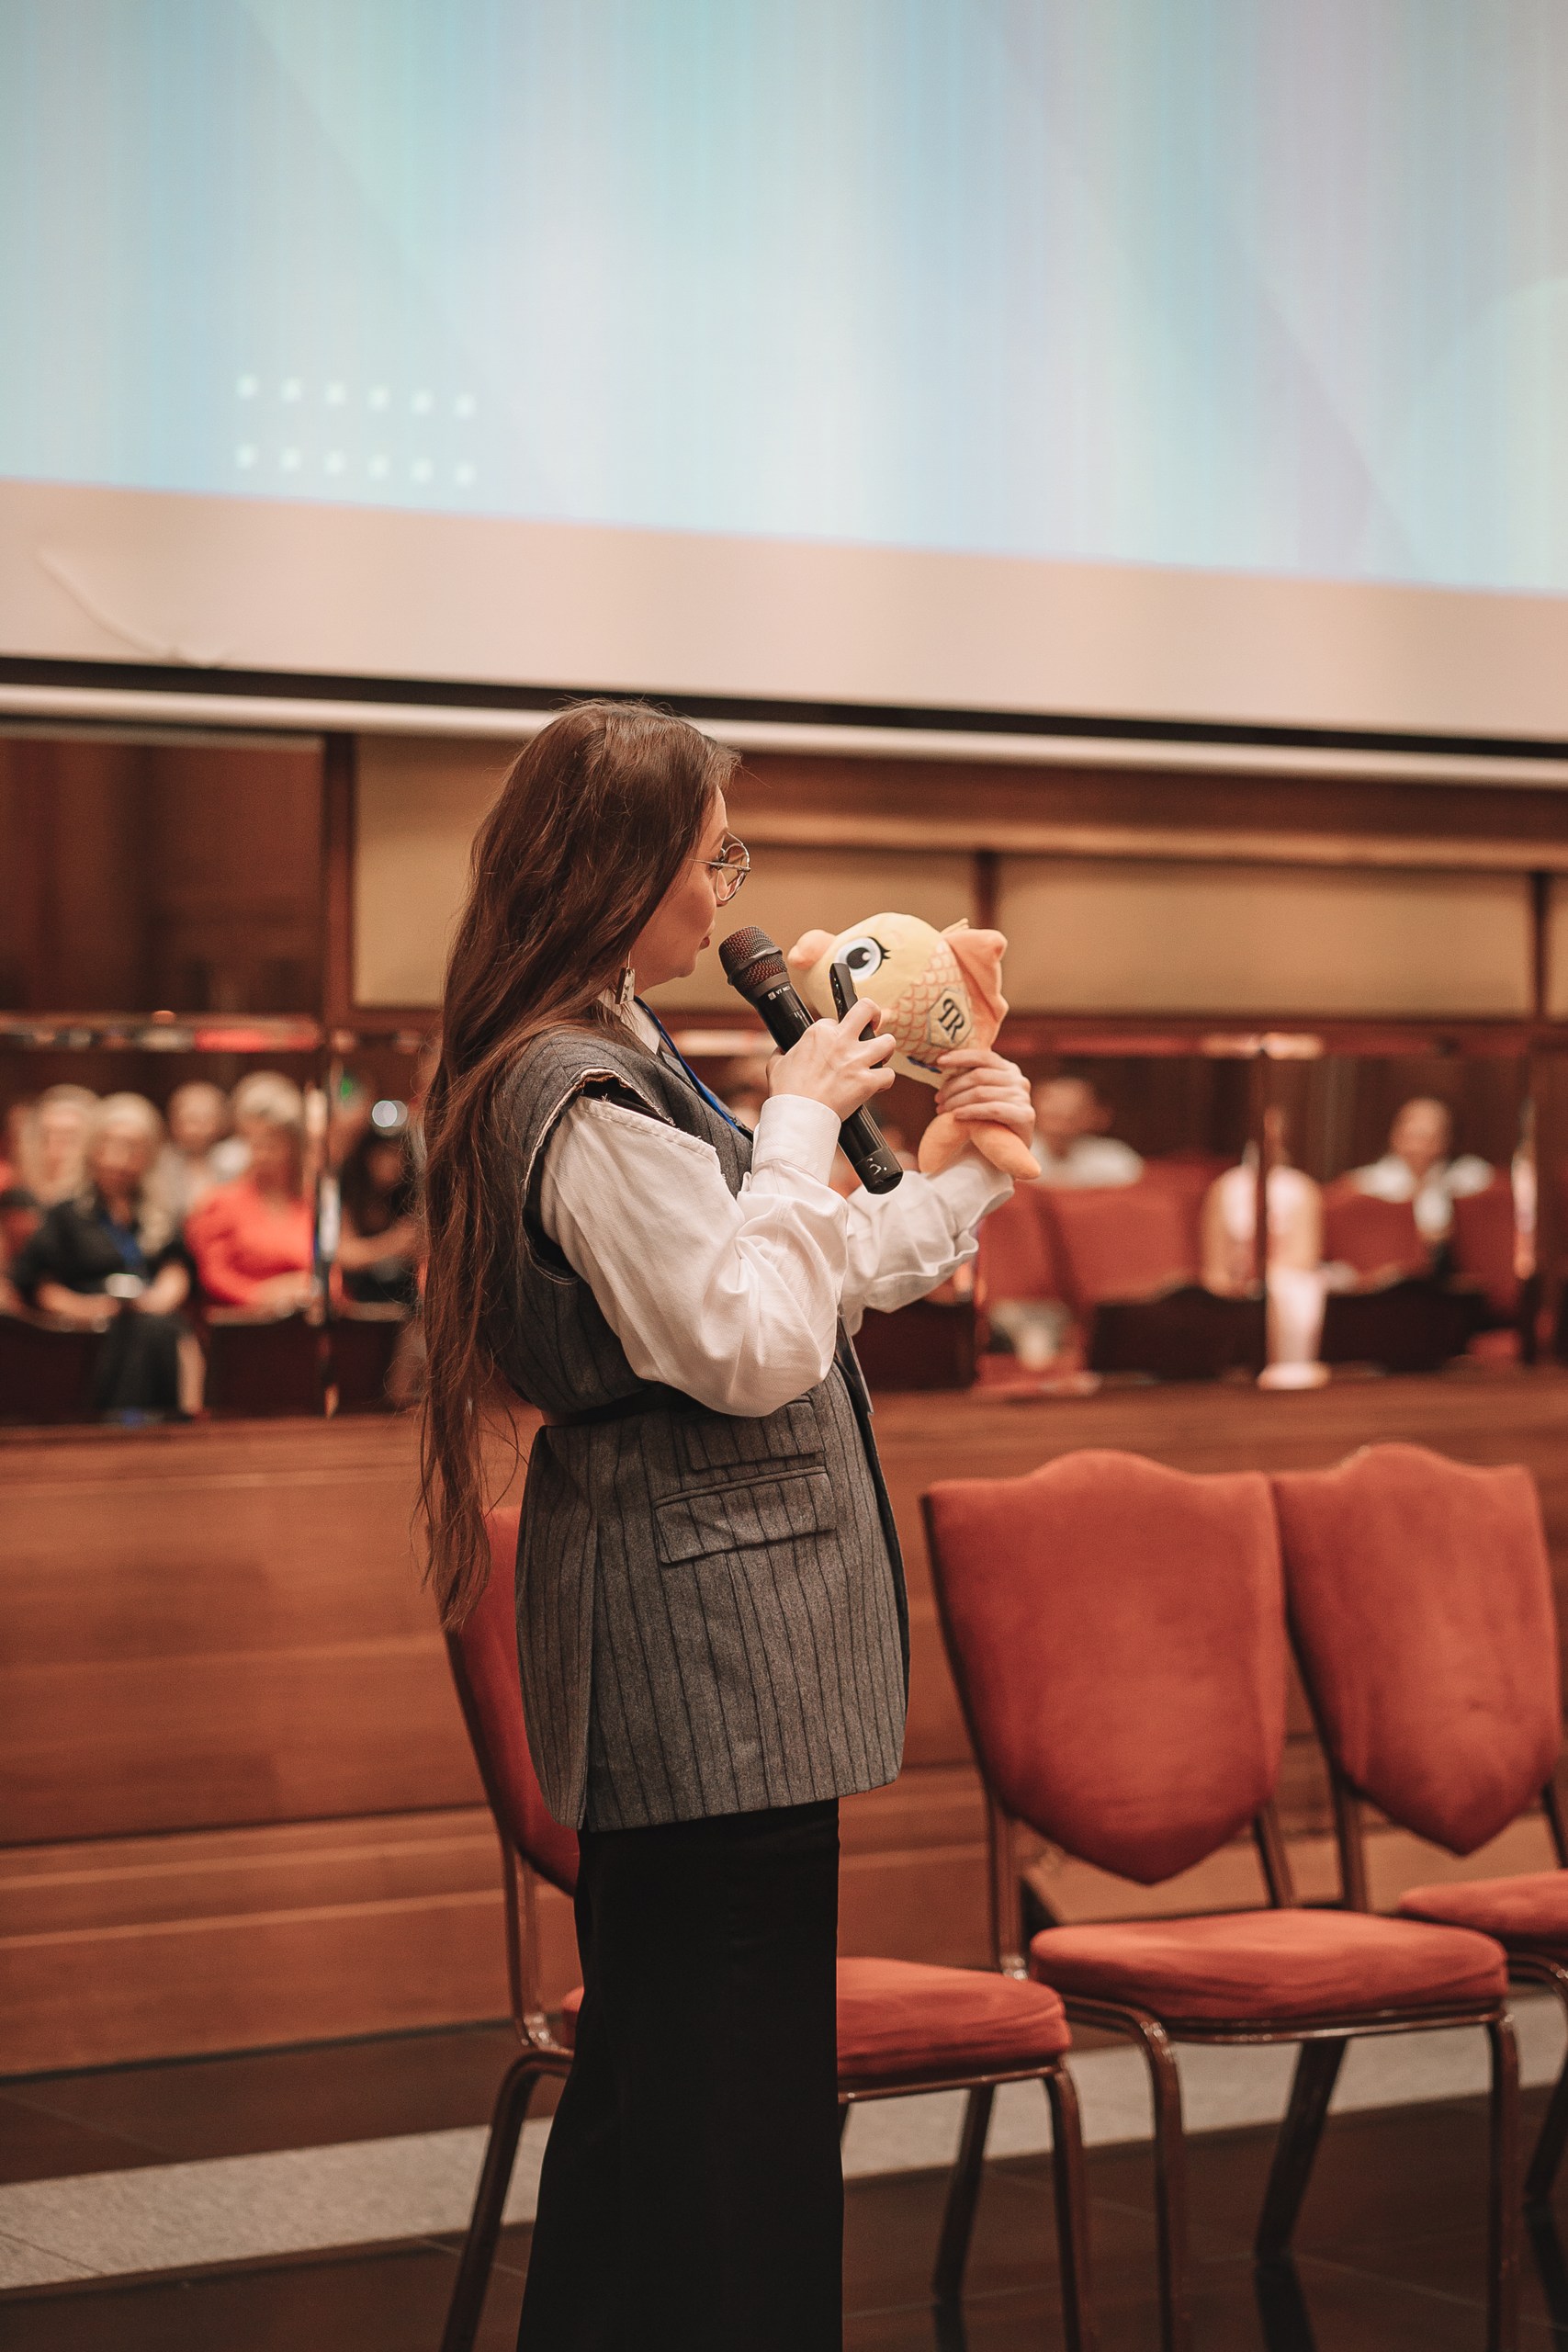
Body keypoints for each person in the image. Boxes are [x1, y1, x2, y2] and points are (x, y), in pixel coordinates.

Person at [418, 701, 1032, 2352]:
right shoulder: (579, 1085)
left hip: (726, 1647)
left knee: (688, 2123)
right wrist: (801, 1114)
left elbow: (798, 1281)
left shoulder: (619, 1040)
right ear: (620, 872)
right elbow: (745, 1345)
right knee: (714, 2139)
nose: (723, 891)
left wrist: (967, 1174)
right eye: (710, 859)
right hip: (694, 1651)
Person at [9, 1093, 201, 1416]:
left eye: (132, 1148)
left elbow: (177, 1266)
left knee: (157, 1330)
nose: (119, 1159)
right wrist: (86, 1310)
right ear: (92, 1149)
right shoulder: (65, 1214)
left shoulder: (158, 1212)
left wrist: (157, 1300)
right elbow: (34, 1281)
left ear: (149, 1155)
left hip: (151, 1325)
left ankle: (163, 1433)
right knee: (131, 1335)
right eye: (110, 1145)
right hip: (86, 1333)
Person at [1201, 1107, 1325, 1368]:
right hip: (1236, 1282)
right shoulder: (1224, 1188)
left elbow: (1305, 1256)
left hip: (1288, 1280)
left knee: (1284, 1294)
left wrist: (1263, 1272)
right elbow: (1214, 1264)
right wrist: (1231, 1283)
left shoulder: (1302, 1189)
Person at [186, 1075, 317, 1310]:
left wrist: (312, 1288)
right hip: (242, 1324)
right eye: (256, 1143)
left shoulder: (310, 1202)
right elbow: (213, 1275)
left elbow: (331, 1270)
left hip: (302, 1321)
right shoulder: (220, 1202)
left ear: (294, 1147)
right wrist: (263, 1296)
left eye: (274, 1143)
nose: (264, 1153)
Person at [1348, 1096, 1492, 1242]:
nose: (1419, 1147)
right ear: (1395, 1136)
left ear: (1447, 1140)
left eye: (1430, 1137)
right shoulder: (1366, 1184)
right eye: (1414, 1136)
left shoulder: (1467, 1176)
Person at [336, 1118, 421, 1306]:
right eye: (383, 1153)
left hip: (402, 1299)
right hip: (357, 1300)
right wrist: (394, 1243)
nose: (392, 1162)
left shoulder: (409, 1190)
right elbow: (344, 1254)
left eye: (397, 1154)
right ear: (367, 1155)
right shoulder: (347, 1187)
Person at [1031, 1075, 1143, 1186]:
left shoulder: (1117, 1160)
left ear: (1098, 1115)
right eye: (1053, 1115)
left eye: (1071, 1116)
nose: (1059, 1127)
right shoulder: (1017, 1155)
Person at [153, 1080, 232, 1223]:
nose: (199, 1129)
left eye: (207, 1119)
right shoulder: (159, 1162)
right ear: (174, 1121)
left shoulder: (236, 1159)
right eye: (191, 1119)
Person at [16, 1082, 96, 1205]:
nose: (54, 1148)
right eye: (46, 1135)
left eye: (68, 1137)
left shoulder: (96, 1202)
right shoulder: (18, 1190)